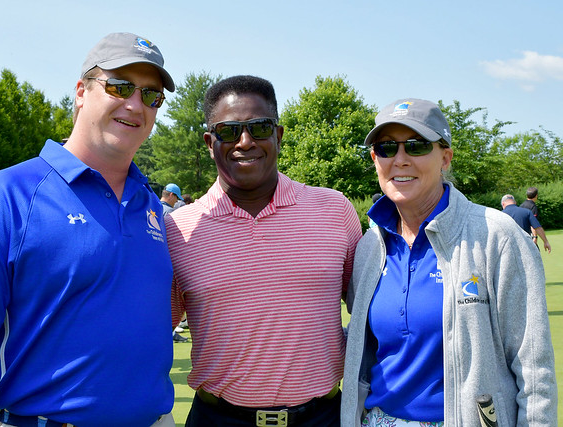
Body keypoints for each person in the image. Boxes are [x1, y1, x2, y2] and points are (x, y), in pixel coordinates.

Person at [0, 32, 177, 427]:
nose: (135, 104)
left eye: (151, 95)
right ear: (81, 91)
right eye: (120, 86)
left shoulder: (152, 206)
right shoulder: (8, 194)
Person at [341, 99, 557, 426]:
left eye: (415, 146)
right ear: (374, 159)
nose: (400, 160)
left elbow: (534, 370)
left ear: (445, 157)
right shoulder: (369, 246)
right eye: (386, 148)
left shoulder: (497, 236)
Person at [165, 75, 363, 426]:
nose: (245, 141)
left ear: (278, 135)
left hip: (322, 417)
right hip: (218, 419)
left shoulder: (334, 210)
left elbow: (369, 316)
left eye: (259, 127)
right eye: (229, 131)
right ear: (210, 142)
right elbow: (151, 329)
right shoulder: (178, 230)